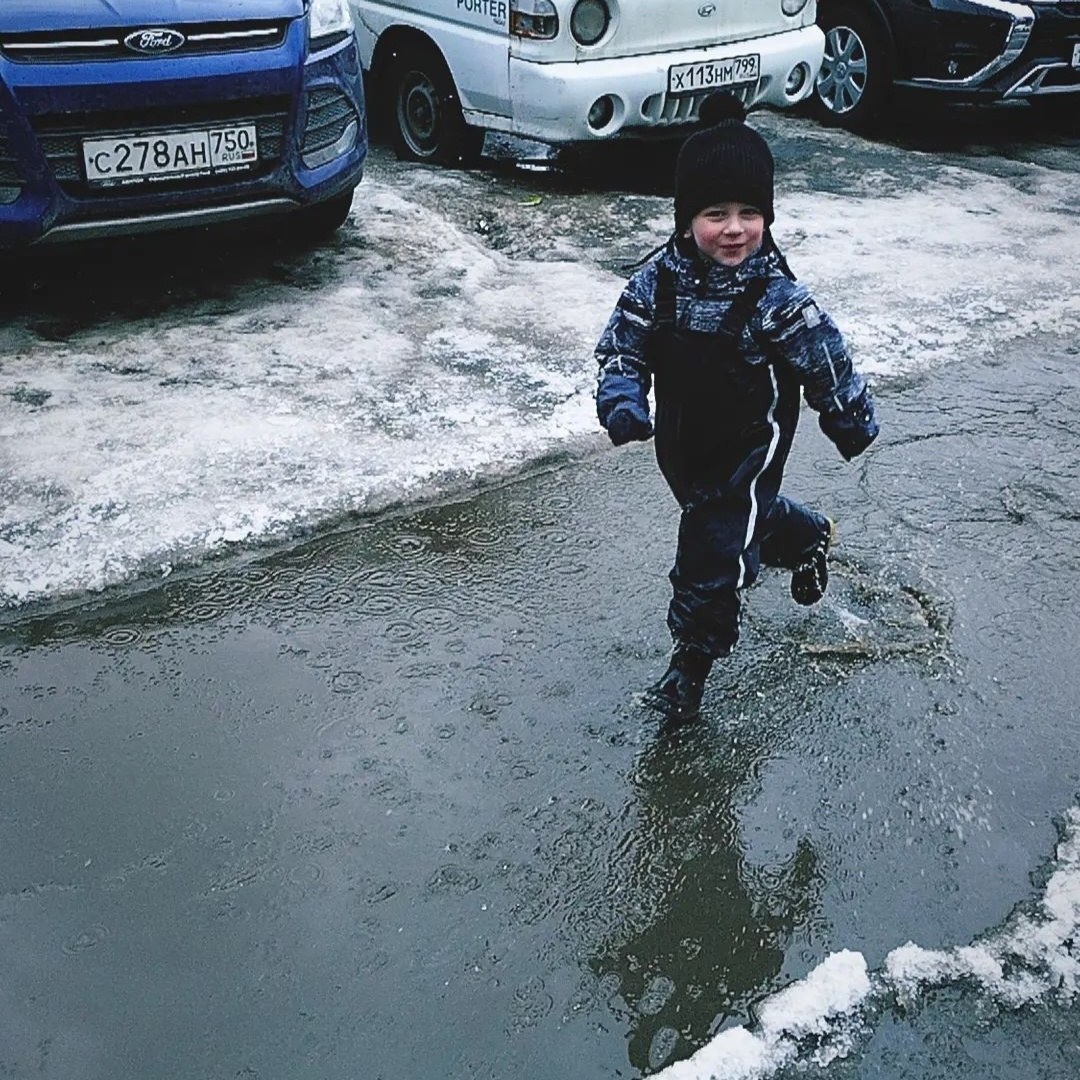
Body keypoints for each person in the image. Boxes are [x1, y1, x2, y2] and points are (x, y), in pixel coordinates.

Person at [594, 91, 879, 724]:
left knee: (714, 545)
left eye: (750, 212)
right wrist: (621, 399)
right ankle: (807, 536)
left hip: (753, 436)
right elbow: (623, 345)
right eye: (715, 212)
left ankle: (688, 669)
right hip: (683, 440)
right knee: (731, 519)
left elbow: (824, 358)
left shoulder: (776, 297)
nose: (733, 229)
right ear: (685, 217)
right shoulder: (655, 281)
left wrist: (848, 416)